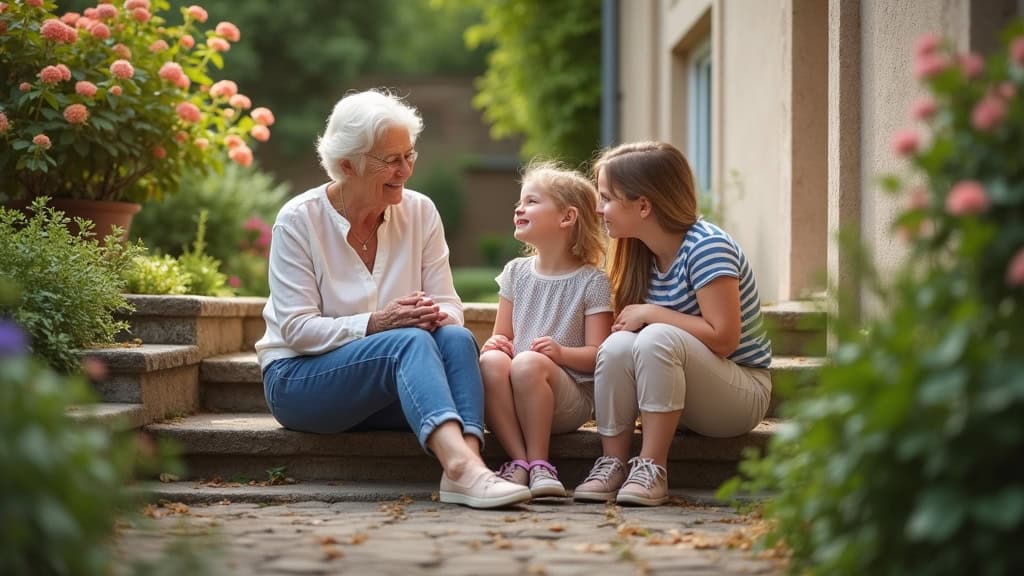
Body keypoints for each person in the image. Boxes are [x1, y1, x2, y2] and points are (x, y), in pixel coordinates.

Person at [255, 89, 532, 509]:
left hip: (393, 388)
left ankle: (466, 464)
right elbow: (295, 330)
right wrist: (377, 323)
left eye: (410, 155)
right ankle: (462, 468)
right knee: (409, 342)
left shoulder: (420, 212)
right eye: (391, 160)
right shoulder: (298, 220)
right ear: (347, 165)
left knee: (455, 339)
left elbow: (451, 307)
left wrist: (431, 316)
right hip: (301, 382)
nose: (405, 170)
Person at [573, 141, 773, 507]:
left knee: (657, 337)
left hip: (740, 392)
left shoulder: (707, 247)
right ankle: (613, 462)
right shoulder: (639, 255)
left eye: (606, 198)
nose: (599, 209)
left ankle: (652, 467)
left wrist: (652, 314)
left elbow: (725, 339)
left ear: (644, 205)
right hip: (684, 393)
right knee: (617, 345)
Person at [479, 161, 613, 498]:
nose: (519, 208)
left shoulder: (591, 282)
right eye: (519, 203)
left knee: (528, 363)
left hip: (566, 400)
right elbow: (502, 338)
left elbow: (599, 355)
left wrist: (561, 353)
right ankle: (520, 462)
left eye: (532, 202)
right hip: (518, 393)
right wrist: (497, 344)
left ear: (567, 218)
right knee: (491, 363)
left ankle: (542, 464)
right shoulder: (515, 273)